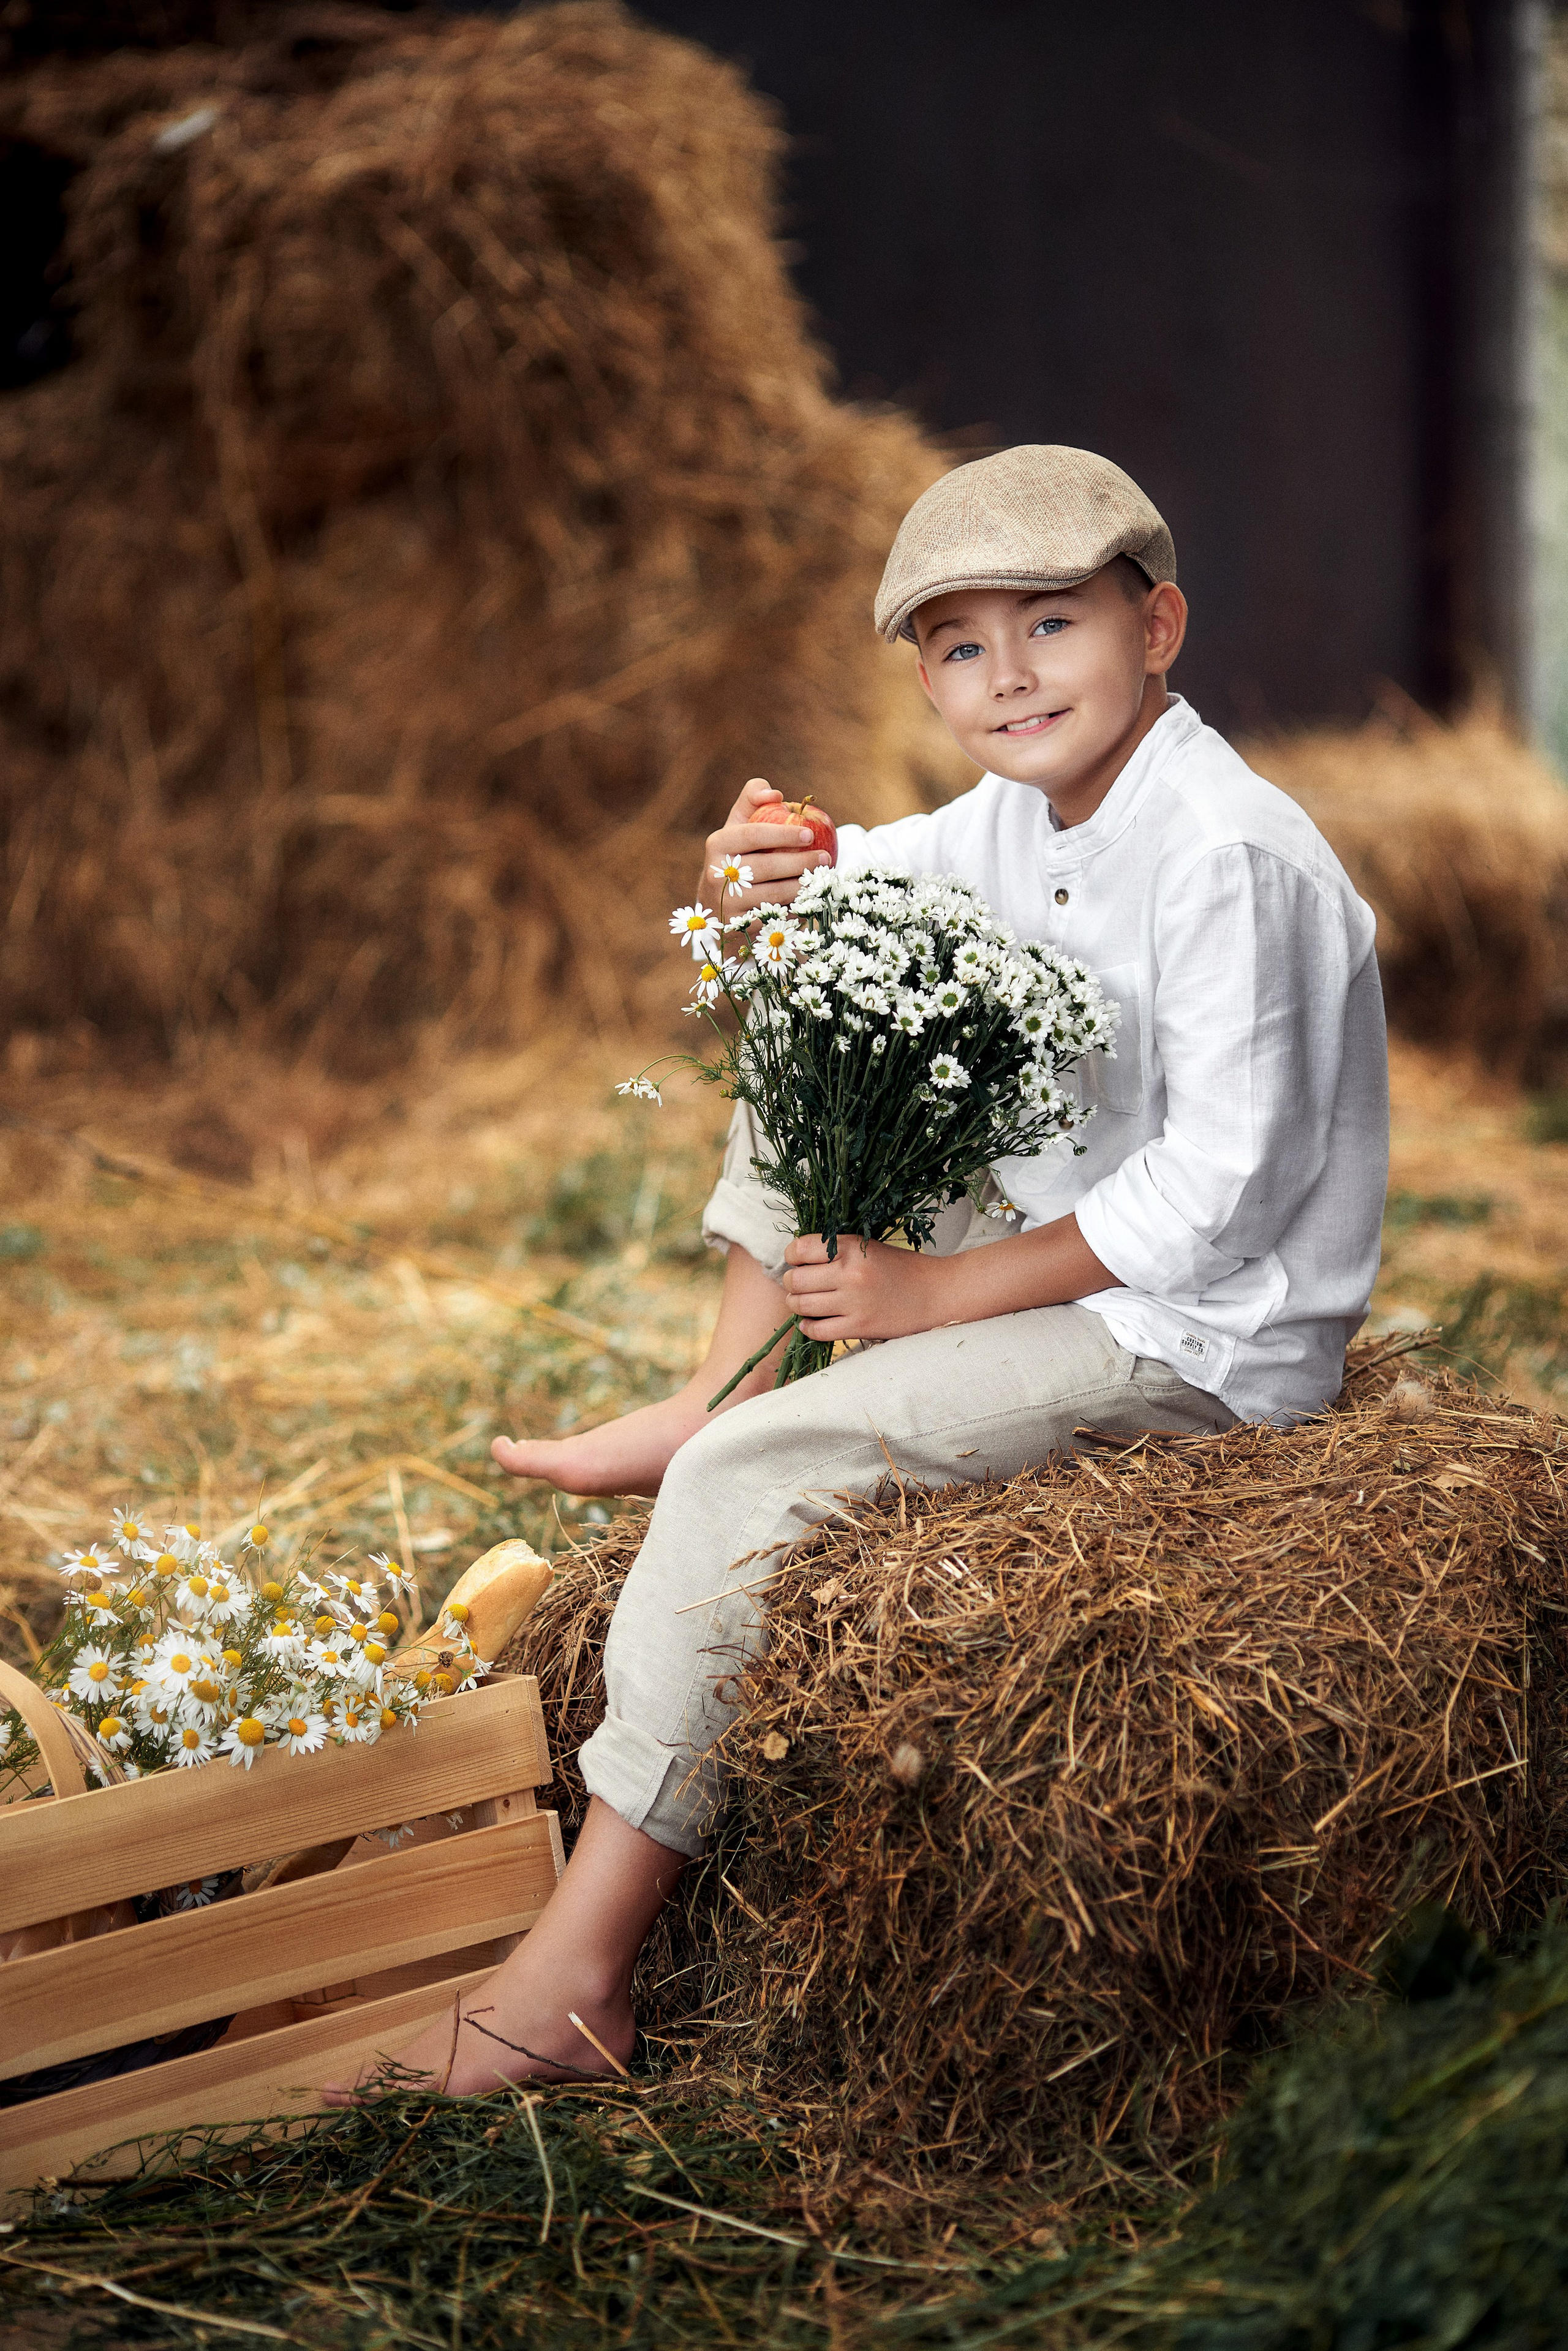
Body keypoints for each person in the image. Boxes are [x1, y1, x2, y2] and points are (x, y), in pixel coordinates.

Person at [327, 443, 1388, 2098]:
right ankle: (713, 1384)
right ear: (925, 677)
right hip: (1076, 1246)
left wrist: (930, 1296)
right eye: (964, 646)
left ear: (1160, 624)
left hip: (1194, 1338)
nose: (1011, 673)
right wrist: (755, 874)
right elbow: (858, 877)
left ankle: (578, 1974)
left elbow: (1219, 1205)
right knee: (837, 994)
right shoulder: (1026, 812)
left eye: (1053, 623)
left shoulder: (1227, 853)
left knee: (766, 1477)